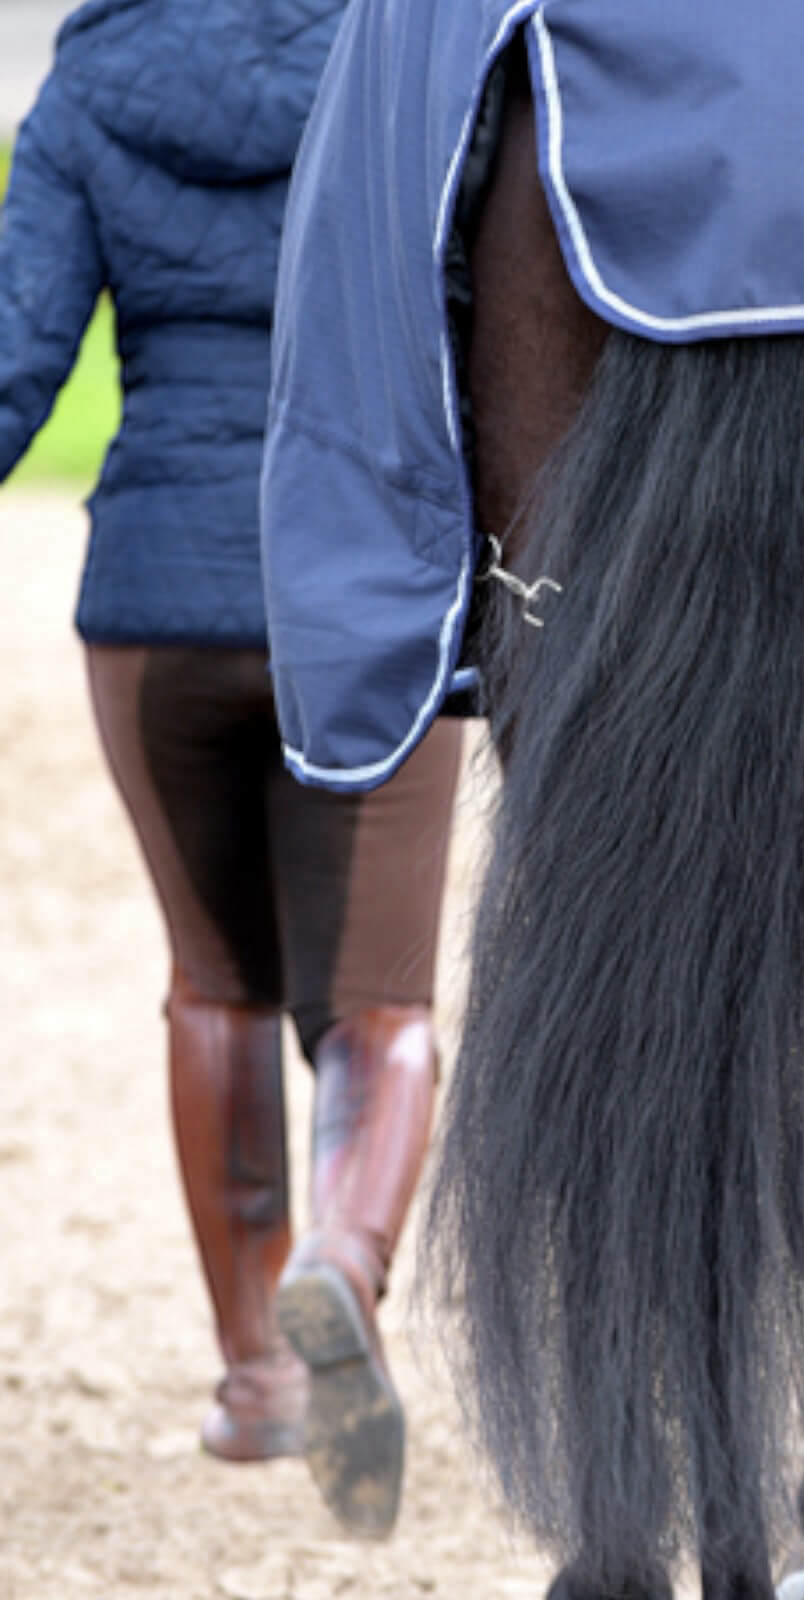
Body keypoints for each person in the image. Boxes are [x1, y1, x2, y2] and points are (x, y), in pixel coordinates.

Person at [0, 0, 462, 1539]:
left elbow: (15, 367)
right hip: (368, 591)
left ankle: (260, 1377)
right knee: (379, 1005)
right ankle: (344, 1262)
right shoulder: (409, 62)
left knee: (216, 988)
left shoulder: (92, 83)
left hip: (155, 606)